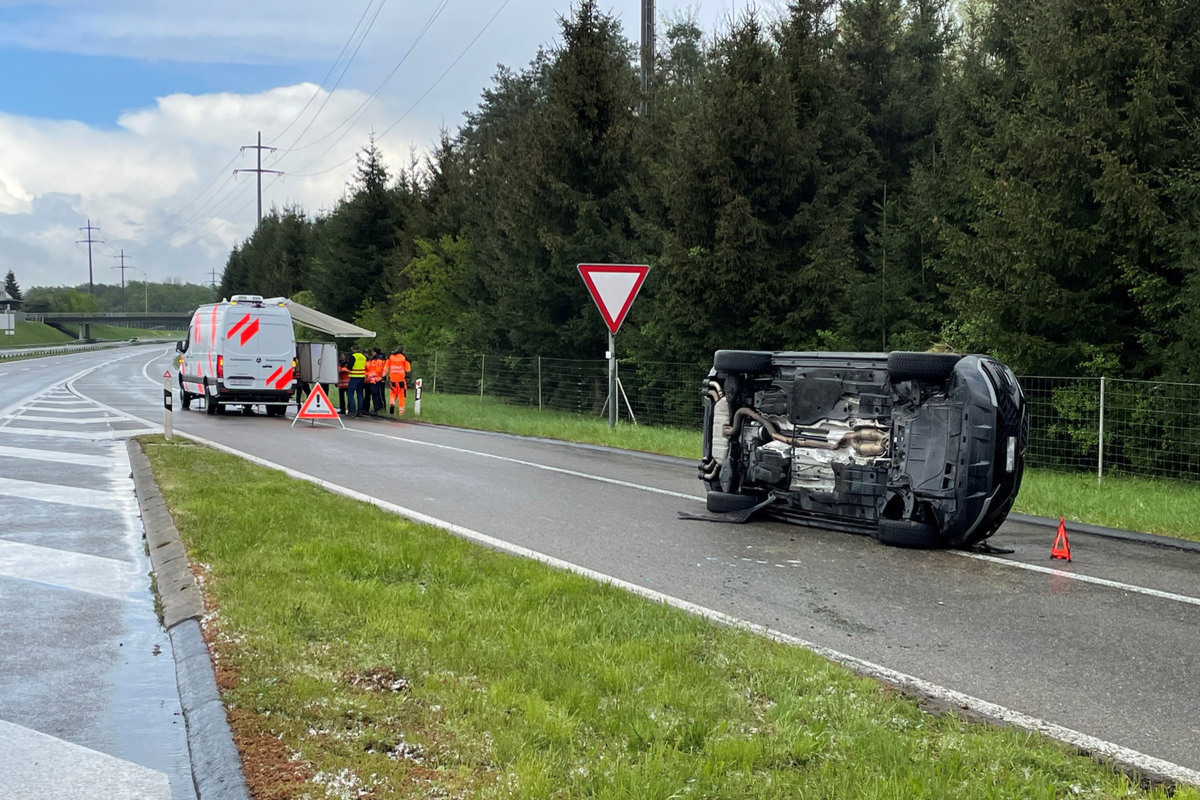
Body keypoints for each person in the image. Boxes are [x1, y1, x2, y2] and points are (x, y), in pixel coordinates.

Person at [386, 346, 412, 415]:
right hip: (401, 379)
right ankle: (401, 412)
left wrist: (384, 375)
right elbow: (408, 369)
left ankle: (392, 403)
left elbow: (386, 367)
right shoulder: (404, 358)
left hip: (393, 379)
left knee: (393, 392)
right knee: (402, 395)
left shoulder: (391, 357)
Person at [365, 348, 386, 416]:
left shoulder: (378, 360)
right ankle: (377, 408)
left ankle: (377, 409)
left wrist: (369, 375)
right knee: (376, 395)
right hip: (374, 379)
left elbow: (378, 371)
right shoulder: (376, 360)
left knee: (376, 395)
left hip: (375, 380)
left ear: (375, 352)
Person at [347, 344, 367, 416]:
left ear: (353, 349)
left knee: (350, 393)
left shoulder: (353, 356)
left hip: (354, 377)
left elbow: (349, 367)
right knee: (360, 394)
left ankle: (352, 410)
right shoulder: (363, 357)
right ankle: (360, 411)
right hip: (362, 377)